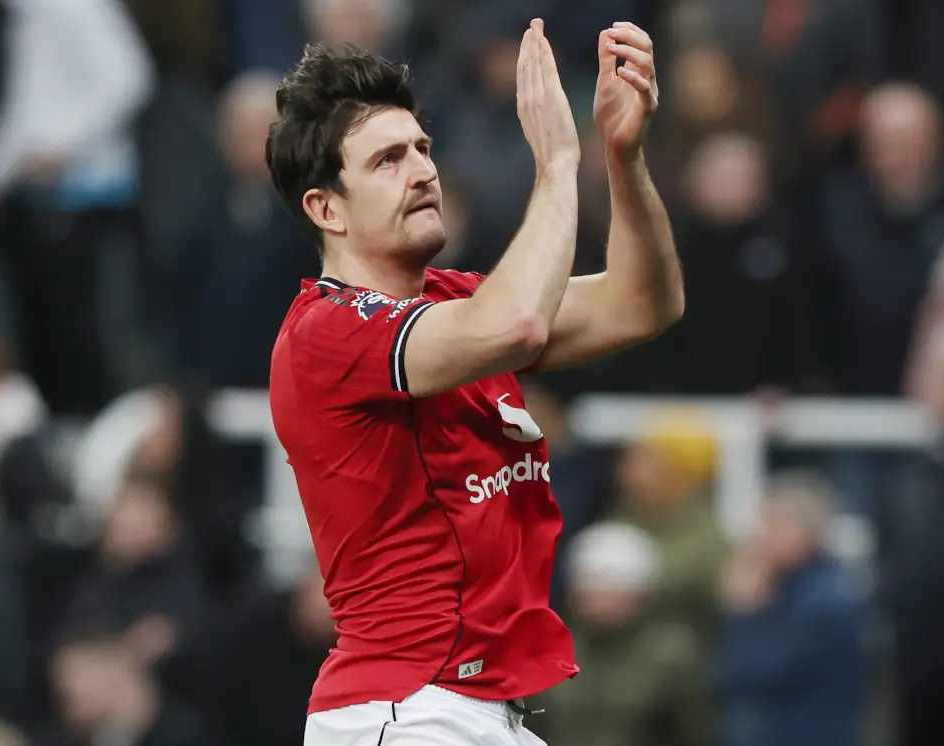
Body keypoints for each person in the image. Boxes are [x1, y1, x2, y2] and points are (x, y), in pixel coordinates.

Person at [266, 17, 683, 746]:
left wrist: (622, 156)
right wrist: (557, 164)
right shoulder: (325, 332)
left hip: (475, 711)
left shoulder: (456, 302)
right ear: (326, 208)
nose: (423, 171)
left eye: (422, 149)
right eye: (387, 160)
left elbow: (643, 303)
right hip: (404, 710)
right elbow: (516, 324)